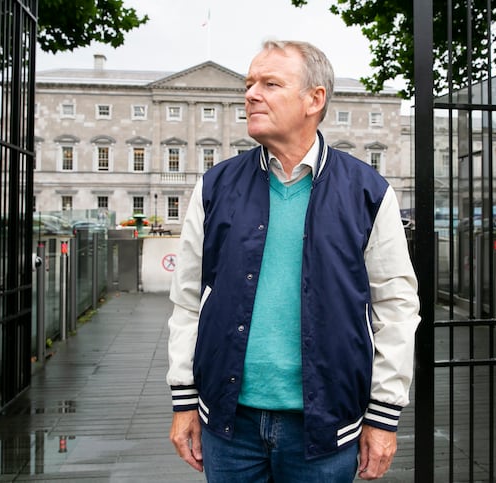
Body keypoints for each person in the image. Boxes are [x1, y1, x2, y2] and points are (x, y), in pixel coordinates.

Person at [167, 39, 420, 482]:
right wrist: (184, 401)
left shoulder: (368, 191)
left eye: (270, 83)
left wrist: (383, 416)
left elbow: (397, 307)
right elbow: (189, 299)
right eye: (249, 84)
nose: (250, 94)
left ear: (314, 99)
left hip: (325, 426)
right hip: (228, 425)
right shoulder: (214, 187)